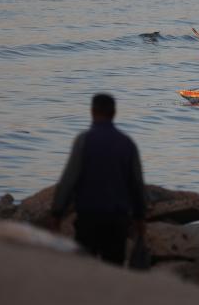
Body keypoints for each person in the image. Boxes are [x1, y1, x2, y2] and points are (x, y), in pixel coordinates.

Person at [51, 94, 146, 266]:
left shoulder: (84, 140)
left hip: (88, 217)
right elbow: (136, 185)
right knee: (113, 267)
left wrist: (57, 213)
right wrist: (140, 218)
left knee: (85, 268)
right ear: (114, 112)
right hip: (117, 221)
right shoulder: (127, 143)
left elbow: (69, 180)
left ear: (92, 111)